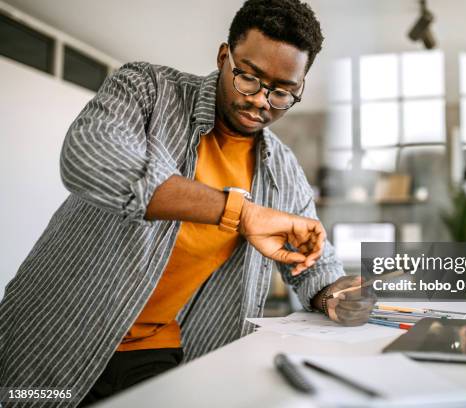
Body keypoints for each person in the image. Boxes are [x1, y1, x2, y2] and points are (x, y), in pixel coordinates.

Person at [0, 0, 375, 406]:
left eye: (283, 92)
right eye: (249, 78)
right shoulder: (148, 89)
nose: (261, 101)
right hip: (53, 335)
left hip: (158, 351)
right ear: (223, 56)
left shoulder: (284, 172)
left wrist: (336, 296)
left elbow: (315, 270)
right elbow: (89, 159)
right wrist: (241, 212)